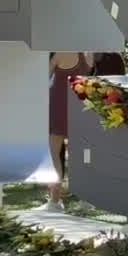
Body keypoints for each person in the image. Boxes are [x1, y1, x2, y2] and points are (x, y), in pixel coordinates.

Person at [46, 52, 90, 210]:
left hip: (58, 108)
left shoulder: (60, 53)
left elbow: (42, 78)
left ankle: (55, 200)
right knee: (80, 157)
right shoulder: (88, 54)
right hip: (79, 109)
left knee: (53, 155)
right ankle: (86, 199)